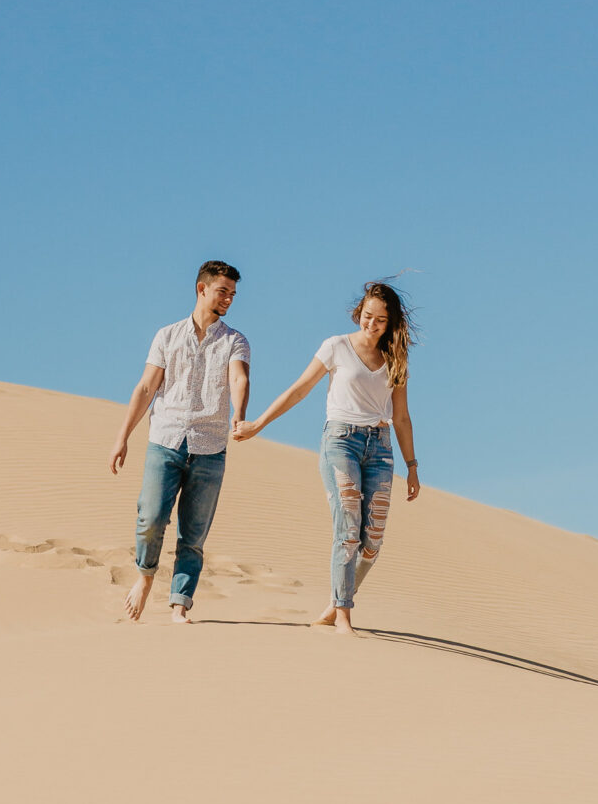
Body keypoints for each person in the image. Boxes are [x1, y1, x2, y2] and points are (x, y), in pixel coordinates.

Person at [234, 282, 419, 631]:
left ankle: (336, 602)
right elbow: (300, 388)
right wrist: (258, 424)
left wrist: (412, 466)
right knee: (348, 528)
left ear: (390, 321)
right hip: (341, 442)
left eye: (381, 319)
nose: (372, 324)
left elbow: (402, 417)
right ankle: (344, 615)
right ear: (358, 313)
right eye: (367, 316)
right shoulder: (336, 346)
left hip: (380, 449)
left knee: (373, 540)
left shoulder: (396, 359)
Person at [109, 260, 249, 623]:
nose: (229, 299)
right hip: (166, 440)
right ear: (201, 289)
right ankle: (145, 577)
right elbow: (145, 387)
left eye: (233, 294)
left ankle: (179, 604)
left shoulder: (235, 341)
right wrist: (122, 437)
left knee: (194, 534)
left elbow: (239, 379)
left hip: (210, 446)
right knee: (151, 518)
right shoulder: (167, 336)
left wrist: (240, 412)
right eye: (223, 291)